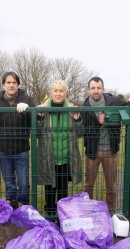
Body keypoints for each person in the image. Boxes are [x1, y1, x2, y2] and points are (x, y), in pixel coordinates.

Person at [82, 76, 130, 212]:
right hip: (92, 152)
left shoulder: (114, 102)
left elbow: (129, 107)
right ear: (88, 90)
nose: (96, 91)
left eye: (99, 88)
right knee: (88, 185)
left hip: (110, 151)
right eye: (93, 88)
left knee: (111, 186)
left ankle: (111, 211)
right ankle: (88, 211)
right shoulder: (85, 107)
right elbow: (82, 129)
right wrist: (99, 123)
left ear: (103, 89)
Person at [36, 80, 83, 216]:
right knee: (49, 188)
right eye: (55, 91)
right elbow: (37, 134)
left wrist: (77, 120)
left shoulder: (72, 109)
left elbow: (80, 133)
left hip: (66, 158)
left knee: (63, 189)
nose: (58, 93)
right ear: (51, 92)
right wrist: (39, 118)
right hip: (49, 157)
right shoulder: (42, 109)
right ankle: (50, 214)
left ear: (65, 93)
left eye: (61, 91)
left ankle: (62, 215)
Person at [0, 71, 35, 209]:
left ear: (18, 85)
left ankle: (24, 207)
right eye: (8, 82)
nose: (11, 85)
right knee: (9, 182)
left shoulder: (27, 99)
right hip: (3, 149)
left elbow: (35, 121)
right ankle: (11, 206)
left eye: (14, 82)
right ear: (3, 85)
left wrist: (28, 111)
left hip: (21, 149)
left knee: (23, 182)